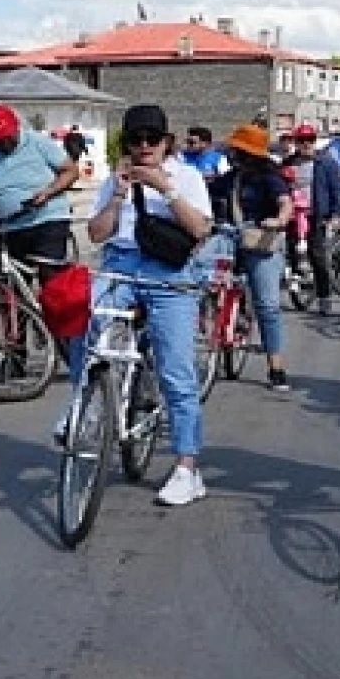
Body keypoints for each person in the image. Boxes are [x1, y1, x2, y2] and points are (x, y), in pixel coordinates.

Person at [68, 104, 213, 506]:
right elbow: (96, 235)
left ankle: (188, 467)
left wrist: (166, 188)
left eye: (153, 139)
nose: (145, 147)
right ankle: (85, 405)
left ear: (166, 142)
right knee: (85, 321)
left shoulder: (187, 176)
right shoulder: (117, 178)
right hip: (121, 264)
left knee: (177, 371)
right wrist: (116, 197)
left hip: (171, 274)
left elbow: (201, 229)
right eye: (136, 140)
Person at [0, 103, 80, 281]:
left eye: (9, 136)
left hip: (48, 218)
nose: (6, 143)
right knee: (14, 283)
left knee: (50, 277)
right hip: (10, 224)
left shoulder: (38, 142)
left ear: (17, 127)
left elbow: (71, 171)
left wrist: (49, 191)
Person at [214, 124, 295, 391]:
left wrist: (280, 219)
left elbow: (285, 202)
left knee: (268, 305)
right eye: (236, 152)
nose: (236, 156)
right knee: (203, 282)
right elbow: (208, 195)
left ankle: (276, 365)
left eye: (240, 152)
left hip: (261, 243)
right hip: (230, 241)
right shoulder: (231, 178)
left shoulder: (271, 177)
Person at [281, 123, 340, 316]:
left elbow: (336, 189)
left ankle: (324, 296)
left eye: (309, 140)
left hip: (316, 215)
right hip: (293, 215)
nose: (305, 144)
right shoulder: (289, 162)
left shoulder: (325, 162)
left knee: (318, 256)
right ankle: (297, 287)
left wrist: (334, 214)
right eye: (301, 140)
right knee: (292, 253)